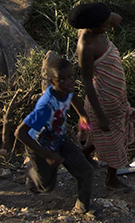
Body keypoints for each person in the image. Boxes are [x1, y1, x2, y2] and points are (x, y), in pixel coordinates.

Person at [16, 52, 96, 214]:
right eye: (61, 80)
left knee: (86, 171)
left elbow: (73, 97)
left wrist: (83, 116)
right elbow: (21, 133)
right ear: (52, 82)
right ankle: (32, 174)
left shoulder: (67, 90)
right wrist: (47, 155)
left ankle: (82, 207)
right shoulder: (45, 106)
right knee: (46, 186)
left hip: (60, 139)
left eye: (70, 78)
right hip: (39, 146)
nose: (67, 83)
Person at [71, 2, 135, 192]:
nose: (109, 26)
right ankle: (111, 179)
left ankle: (84, 155)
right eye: (104, 24)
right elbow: (87, 82)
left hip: (116, 96)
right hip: (103, 101)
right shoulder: (86, 45)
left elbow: (118, 19)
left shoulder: (96, 31)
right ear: (91, 27)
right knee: (113, 141)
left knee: (99, 136)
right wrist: (100, 115)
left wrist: (105, 16)